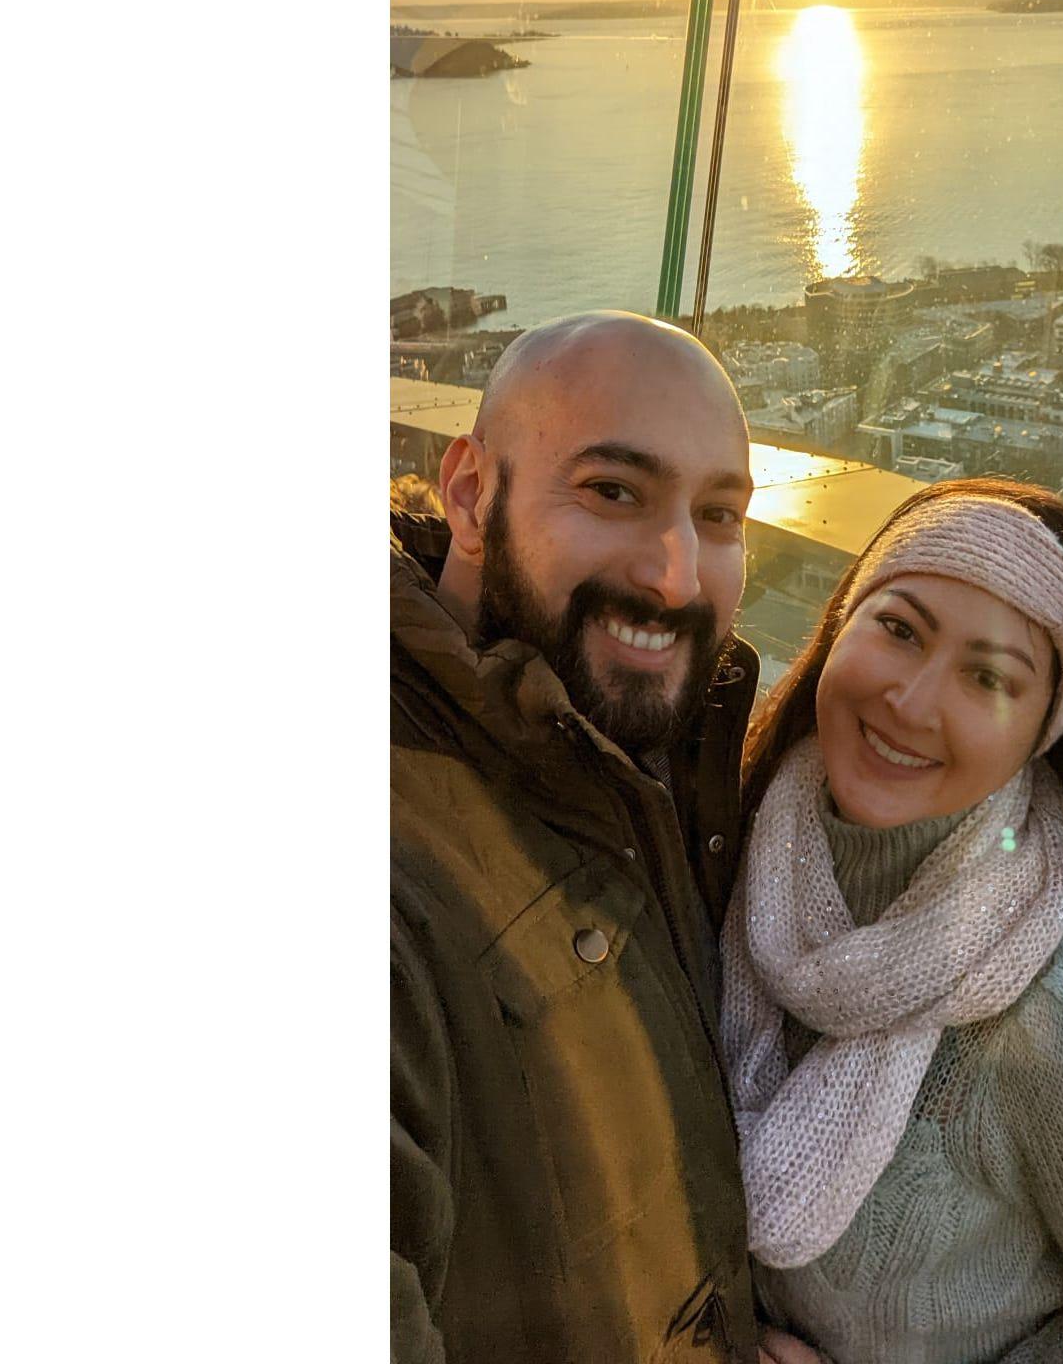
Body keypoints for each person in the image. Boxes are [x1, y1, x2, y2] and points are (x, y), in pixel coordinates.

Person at [722, 479, 1063, 1364]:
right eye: (899, 629)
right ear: (840, 623)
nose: (912, 701)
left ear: (1041, 734)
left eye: (989, 678)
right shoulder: (727, 848)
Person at [393, 310, 784, 1362]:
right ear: (470, 494)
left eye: (719, 515)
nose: (677, 576)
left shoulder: (654, 773)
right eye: (614, 492)